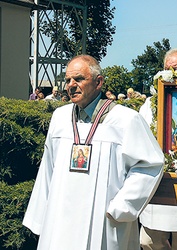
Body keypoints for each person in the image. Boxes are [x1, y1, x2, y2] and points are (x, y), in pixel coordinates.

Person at [23, 54, 164, 250]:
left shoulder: (125, 120)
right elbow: (47, 169)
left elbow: (151, 164)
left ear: (99, 82)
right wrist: (40, 217)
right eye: (67, 80)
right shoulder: (59, 118)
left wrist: (121, 207)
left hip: (104, 221)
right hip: (59, 220)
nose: (71, 85)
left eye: (79, 79)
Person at [139, 48, 177, 250]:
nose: (170, 75)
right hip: (157, 182)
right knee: (147, 241)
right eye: (166, 69)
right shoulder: (149, 104)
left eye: (176, 69)